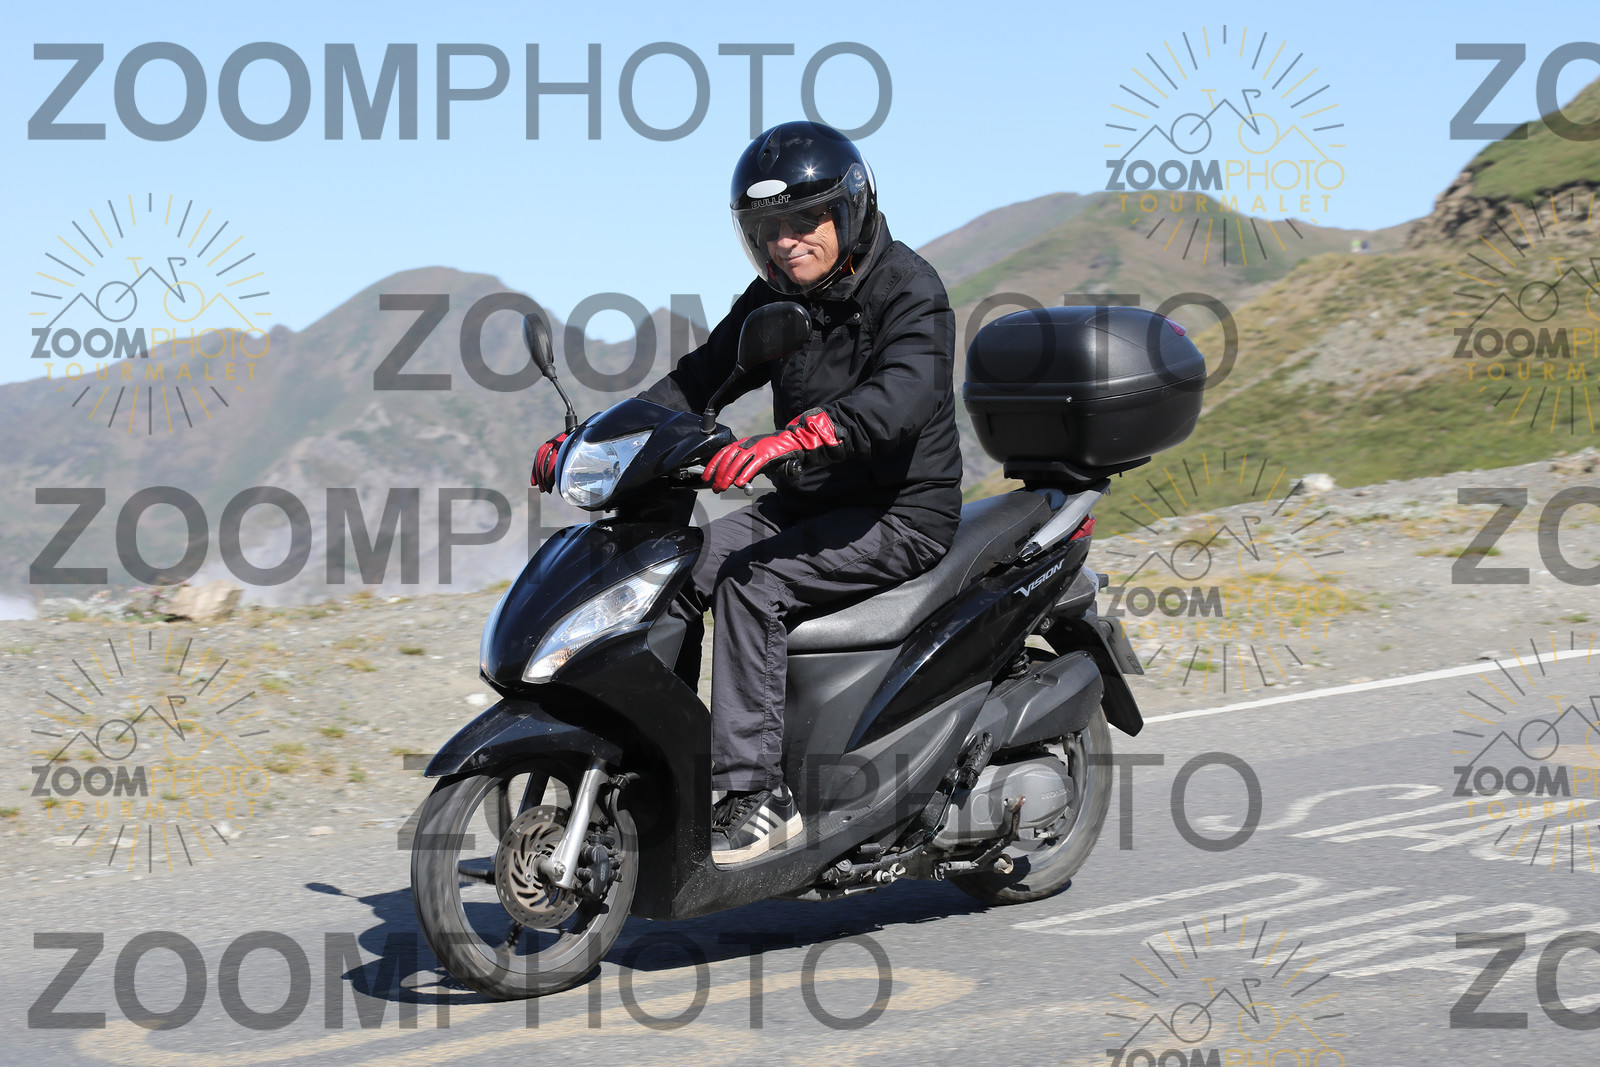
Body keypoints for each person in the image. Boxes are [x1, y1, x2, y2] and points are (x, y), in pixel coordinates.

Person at [533, 120, 963, 864]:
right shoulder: (776, 297)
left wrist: (794, 438)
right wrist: (594, 441)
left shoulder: (910, 290)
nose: (786, 242)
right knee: (673, 570)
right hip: (810, 503)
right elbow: (699, 379)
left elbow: (902, 395)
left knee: (751, 585)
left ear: (850, 209)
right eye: (769, 230)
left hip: (898, 513)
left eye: (805, 221)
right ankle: (658, 763)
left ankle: (759, 795)